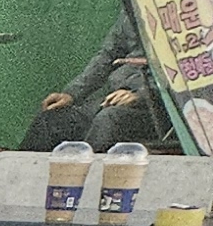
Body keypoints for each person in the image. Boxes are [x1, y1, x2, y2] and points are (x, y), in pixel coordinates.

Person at [26, 17, 155, 150]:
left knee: (108, 119)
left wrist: (142, 95)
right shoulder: (132, 11)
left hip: (158, 107)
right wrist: (72, 94)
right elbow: (108, 56)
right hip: (115, 98)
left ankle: (87, 163)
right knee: (50, 120)